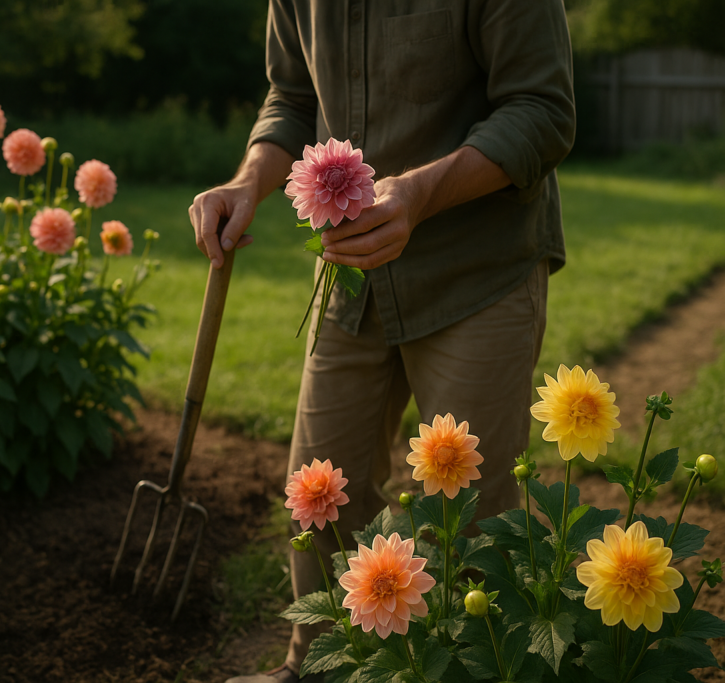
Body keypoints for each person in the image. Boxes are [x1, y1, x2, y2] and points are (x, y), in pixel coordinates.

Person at [189, 2, 575, 681]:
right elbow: (293, 96)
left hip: (474, 273)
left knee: (466, 522)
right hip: (350, 282)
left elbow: (542, 110)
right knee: (318, 495)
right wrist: (249, 178)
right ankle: (314, 667)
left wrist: (417, 195)